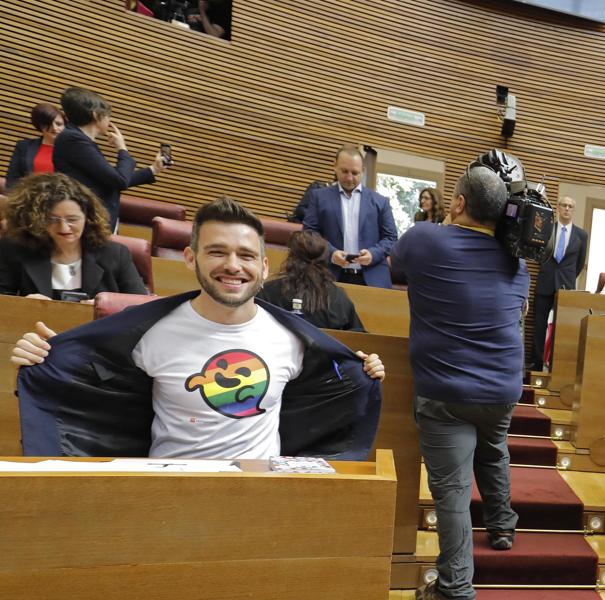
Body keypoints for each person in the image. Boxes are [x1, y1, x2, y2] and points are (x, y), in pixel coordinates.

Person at [10, 196, 386, 459]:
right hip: (168, 500)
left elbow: (333, 389)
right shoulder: (149, 332)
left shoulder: (293, 339)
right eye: (217, 252)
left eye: (246, 255)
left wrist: (364, 371)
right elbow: (82, 391)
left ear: (265, 268)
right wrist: (44, 357)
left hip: (260, 502)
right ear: (191, 258)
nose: (233, 266)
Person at [390, 156, 528, 600]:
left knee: (450, 488)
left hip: (447, 389)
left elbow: (395, 267)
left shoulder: (426, 239)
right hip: (503, 386)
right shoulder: (517, 263)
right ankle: (503, 526)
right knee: (495, 450)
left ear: (459, 201)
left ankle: (455, 588)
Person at [0, 173, 146, 301]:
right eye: (53, 220)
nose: (64, 228)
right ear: (37, 219)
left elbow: (140, 305)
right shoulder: (14, 248)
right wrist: (22, 303)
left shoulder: (115, 254)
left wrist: (106, 308)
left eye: (72, 219)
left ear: (88, 218)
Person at [53, 87, 167, 230]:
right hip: (85, 223)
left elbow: (111, 180)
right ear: (96, 115)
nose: (109, 120)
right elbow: (119, 180)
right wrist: (122, 149)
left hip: (92, 221)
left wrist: (153, 169)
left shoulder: (77, 139)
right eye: (108, 115)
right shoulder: (74, 140)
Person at [302, 147, 399, 288]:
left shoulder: (381, 202)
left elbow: (391, 238)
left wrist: (373, 254)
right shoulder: (319, 197)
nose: (349, 178)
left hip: (373, 279)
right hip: (329, 276)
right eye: (344, 171)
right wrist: (331, 253)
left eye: (355, 173)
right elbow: (309, 233)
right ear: (334, 166)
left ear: (363, 171)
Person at [256, 229, 365, 331]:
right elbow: (356, 338)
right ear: (324, 258)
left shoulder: (267, 292)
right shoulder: (338, 296)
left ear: (290, 257)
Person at [530, 195, 587, 370]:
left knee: (562, 327)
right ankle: (537, 363)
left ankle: (556, 365)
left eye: (570, 206)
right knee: (539, 325)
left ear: (573, 210)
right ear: (558, 208)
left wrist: (567, 278)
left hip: (566, 286)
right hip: (545, 281)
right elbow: (539, 255)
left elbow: (579, 264)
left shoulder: (581, 235)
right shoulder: (547, 229)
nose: (567, 209)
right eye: (564, 205)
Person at [5, 103, 65, 189]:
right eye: (48, 124)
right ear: (40, 126)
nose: (54, 128)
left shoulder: (71, 150)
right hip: (26, 197)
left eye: (59, 124)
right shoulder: (23, 146)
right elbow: (12, 179)